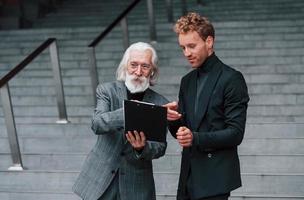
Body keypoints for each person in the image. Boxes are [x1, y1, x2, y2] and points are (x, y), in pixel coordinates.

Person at [164, 13, 250, 200]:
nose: (186, 53)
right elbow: (183, 132)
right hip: (188, 176)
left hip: (215, 178)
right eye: (183, 47)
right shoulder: (186, 81)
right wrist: (172, 119)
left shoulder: (232, 79)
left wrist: (195, 137)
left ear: (209, 41)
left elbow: (236, 133)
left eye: (192, 46)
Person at [73, 42, 168, 200]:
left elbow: (160, 147)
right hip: (99, 180)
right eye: (133, 65)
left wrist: (142, 148)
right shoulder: (106, 91)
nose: (138, 72)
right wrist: (128, 114)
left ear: (152, 71)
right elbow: (97, 123)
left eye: (145, 66)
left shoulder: (160, 102)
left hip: (136, 185)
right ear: (125, 66)